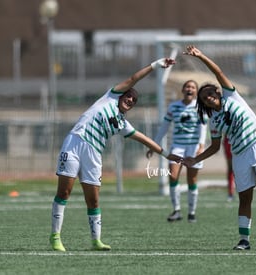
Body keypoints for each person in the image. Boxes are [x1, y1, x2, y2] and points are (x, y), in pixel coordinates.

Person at [50, 57, 180, 252]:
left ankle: (96, 240)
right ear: (121, 95)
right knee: (64, 192)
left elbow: (144, 138)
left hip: (93, 154)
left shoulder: (122, 124)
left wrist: (167, 155)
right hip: (75, 143)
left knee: (93, 200)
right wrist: (156, 65)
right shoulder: (109, 97)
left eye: (134, 101)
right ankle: (55, 237)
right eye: (128, 97)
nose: (130, 100)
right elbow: (134, 78)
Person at [182, 45, 256, 250]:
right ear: (204, 103)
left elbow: (218, 72)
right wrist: (195, 159)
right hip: (240, 155)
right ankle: (244, 240)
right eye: (204, 97)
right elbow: (215, 147)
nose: (208, 96)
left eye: (210, 92)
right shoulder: (214, 121)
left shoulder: (232, 96)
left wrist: (201, 56)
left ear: (217, 91)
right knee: (244, 198)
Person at [146, 80, 207, 223]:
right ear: (183, 90)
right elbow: (164, 127)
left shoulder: (200, 107)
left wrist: (201, 145)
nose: (189, 89)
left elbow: (203, 127)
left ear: (196, 91)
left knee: (192, 179)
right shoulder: (174, 107)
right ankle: (177, 210)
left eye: (192, 87)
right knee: (173, 177)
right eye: (187, 86)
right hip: (177, 146)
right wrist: (153, 145)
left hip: (193, 147)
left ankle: (192, 212)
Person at [223, 136, 235, 202]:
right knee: (230, 169)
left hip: (238, 139)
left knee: (241, 168)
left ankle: (244, 191)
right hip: (228, 140)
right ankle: (230, 193)